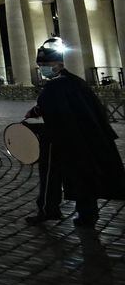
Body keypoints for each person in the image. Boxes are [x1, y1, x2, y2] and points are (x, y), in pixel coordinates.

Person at [23, 38, 125, 228]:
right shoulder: (76, 81)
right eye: (40, 65)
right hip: (87, 138)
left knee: (50, 175)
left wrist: (35, 112)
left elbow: (51, 109)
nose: (42, 68)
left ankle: (47, 209)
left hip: (61, 139)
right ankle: (88, 214)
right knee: (83, 175)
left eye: (45, 65)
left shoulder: (54, 86)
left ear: (57, 64)